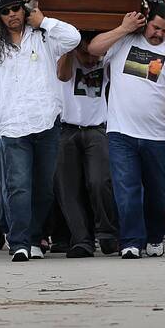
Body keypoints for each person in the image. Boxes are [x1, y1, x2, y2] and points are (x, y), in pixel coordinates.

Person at [0, 0, 79, 262]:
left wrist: (44, 21)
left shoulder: (44, 37)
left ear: (23, 10)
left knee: (43, 187)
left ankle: (35, 237)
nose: (12, 15)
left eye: (16, 9)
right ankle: (19, 242)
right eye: (5, 11)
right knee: (18, 186)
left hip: (47, 122)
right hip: (12, 127)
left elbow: (73, 38)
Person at [89, 2, 165, 260]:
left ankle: (155, 236)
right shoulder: (125, 41)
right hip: (121, 133)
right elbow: (94, 48)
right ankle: (131, 241)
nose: (159, 34)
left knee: (157, 193)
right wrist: (123, 28)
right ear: (147, 21)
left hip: (156, 137)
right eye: (155, 27)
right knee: (126, 190)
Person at [55, 33, 118, 257]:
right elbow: (62, 76)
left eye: (95, 55)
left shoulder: (106, 59)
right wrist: (71, 47)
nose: (91, 60)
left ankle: (107, 233)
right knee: (68, 189)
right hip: (68, 129)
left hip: (97, 129)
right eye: (85, 54)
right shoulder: (66, 60)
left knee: (100, 181)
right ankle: (81, 240)